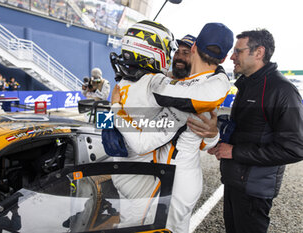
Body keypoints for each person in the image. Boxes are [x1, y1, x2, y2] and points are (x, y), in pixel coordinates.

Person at [106, 21, 233, 232]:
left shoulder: (186, 95)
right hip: (154, 175)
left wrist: (115, 109)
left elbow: (142, 142)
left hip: (174, 180)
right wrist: (109, 125)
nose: (178, 56)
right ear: (224, 58)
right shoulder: (167, 83)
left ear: (194, 50)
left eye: (185, 51)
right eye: (176, 51)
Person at [207, 29, 303, 233]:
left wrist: (234, 152)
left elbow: (295, 148)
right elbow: (247, 130)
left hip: (254, 190)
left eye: (238, 51)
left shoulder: (282, 90)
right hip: (235, 181)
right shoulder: (247, 85)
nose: (232, 57)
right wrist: (220, 142)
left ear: (259, 52)